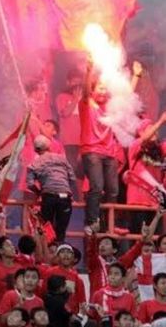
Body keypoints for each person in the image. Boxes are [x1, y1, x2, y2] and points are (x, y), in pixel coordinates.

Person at [81, 59, 121, 227]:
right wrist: (89, 71)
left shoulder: (110, 107)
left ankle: (106, 223)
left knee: (113, 190)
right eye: (100, 87)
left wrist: (136, 76)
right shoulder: (87, 103)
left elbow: (126, 96)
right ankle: (92, 222)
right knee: (97, 187)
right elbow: (85, 91)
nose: (103, 92)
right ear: (93, 89)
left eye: (106, 88)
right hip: (92, 151)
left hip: (109, 153)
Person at [26, 134, 76, 242]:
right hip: (65, 197)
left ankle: (48, 253)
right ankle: (60, 252)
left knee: (47, 229)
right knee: (61, 230)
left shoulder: (33, 164)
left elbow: (30, 184)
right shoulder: (62, 159)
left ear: (36, 150)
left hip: (48, 196)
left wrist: (39, 192)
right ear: (49, 147)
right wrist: (66, 189)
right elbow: (72, 178)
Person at [43, 245, 86, 314]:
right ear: (57, 256)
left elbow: (82, 301)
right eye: (62, 252)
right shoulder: (49, 272)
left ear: (73, 257)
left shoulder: (77, 278)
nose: (66, 255)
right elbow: (44, 292)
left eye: (69, 252)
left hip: (71, 315)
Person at [0, 236, 22, 306]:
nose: (13, 247)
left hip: (17, 310)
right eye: (8, 245)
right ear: (0, 251)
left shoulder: (20, 269)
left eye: (12, 245)